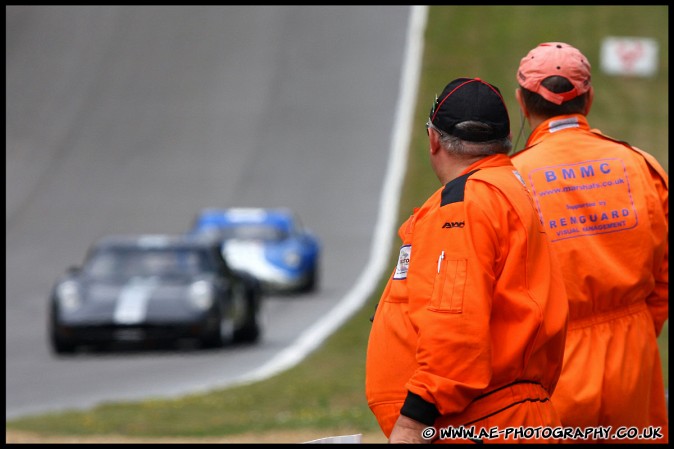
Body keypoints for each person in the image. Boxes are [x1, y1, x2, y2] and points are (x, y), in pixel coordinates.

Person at [365, 77, 569, 444]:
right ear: (504, 142)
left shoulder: (464, 203)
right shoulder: (512, 189)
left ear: (432, 140)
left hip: (473, 422)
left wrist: (413, 422)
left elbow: (454, 326)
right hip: (512, 412)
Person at [510, 42, 669, 444]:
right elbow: (664, 276)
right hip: (634, 362)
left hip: (551, 367)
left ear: (522, 102)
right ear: (589, 97)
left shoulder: (508, 181)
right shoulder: (641, 165)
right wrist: (632, 331)